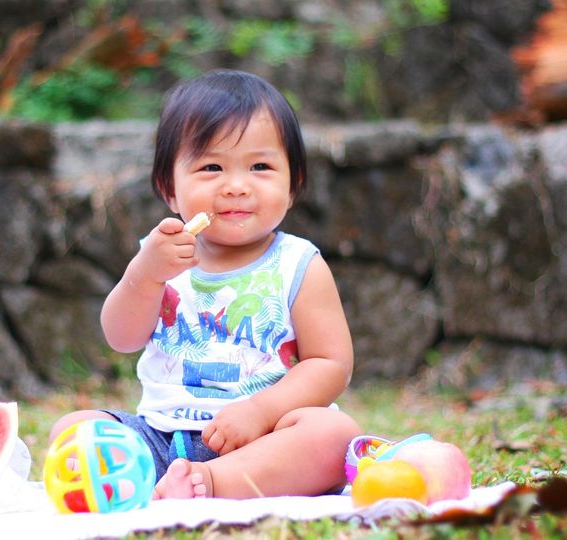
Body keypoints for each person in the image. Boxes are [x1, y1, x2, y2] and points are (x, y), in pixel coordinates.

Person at [49, 69, 360, 499]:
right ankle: (167, 480)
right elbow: (121, 338)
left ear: (293, 186)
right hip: (161, 436)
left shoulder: (298, 264)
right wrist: (144, 274)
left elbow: (330, 364)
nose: (235, 186)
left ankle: (213, 483)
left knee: (334, 434)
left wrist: (260, 410)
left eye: (260, 166)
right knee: (74, 430)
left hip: (264, 437)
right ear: (169, 190)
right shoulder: (161, 255)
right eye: (211, 166)